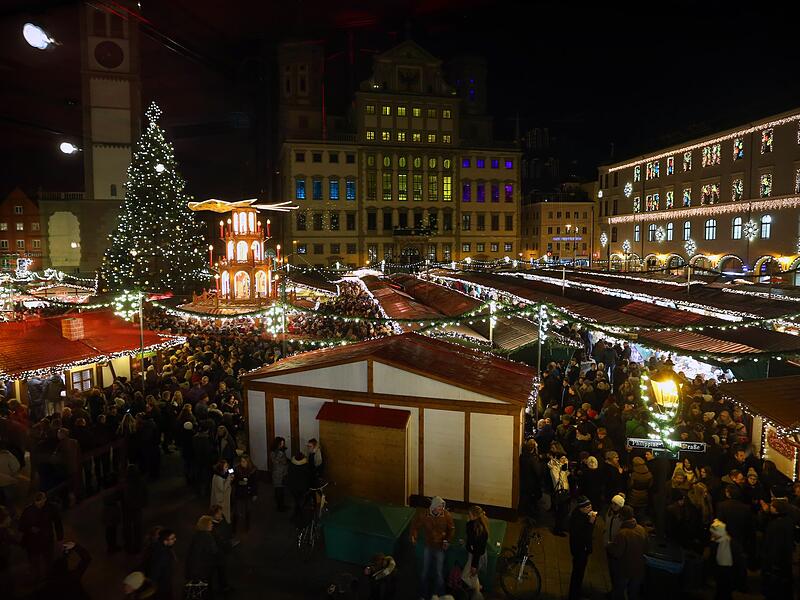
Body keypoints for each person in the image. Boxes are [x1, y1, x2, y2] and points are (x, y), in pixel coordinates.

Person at [409, 496, 455, 600]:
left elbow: (451, 529)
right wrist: (413, 536)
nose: (441, 509)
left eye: (442, 507)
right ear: (433, 507)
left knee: (439, 572)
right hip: (429, 546)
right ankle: (423, 595)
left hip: (440, 548)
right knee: (425, 571)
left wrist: (447, 540)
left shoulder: (446, 515)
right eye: (439, 507)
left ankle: (440, 594)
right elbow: (415, 526)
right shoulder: (425, 515)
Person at [19, 491, 64, 578]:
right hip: (33, 542)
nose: (39, 504)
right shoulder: (28, 511)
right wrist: (30, 529)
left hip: (47, 539)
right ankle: (37, 577)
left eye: (41, 501)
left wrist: (60, 538)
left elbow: (58, 523)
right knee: (35, 562)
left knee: (48, 560)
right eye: (37, 502)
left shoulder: (51, 508)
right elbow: (22, 526)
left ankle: (49, 576)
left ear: (45, 499)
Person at [607, 505, 647, 600]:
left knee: (619, 591)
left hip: (625, 568)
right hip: (638, 568)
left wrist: (610, 546)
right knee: (633, 593)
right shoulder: (641, 529)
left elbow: (617, 553)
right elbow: (647, 548)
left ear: (623, 517)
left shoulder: (623, 533)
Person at [568, 496, 597, 600]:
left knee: (579, 573)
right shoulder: (578, 519)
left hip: (580, 549)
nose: (590, 508)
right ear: (581, 508)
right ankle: (574, 595)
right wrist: (590, 523)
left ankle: (576, 591)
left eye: (590, 506)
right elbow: (584, 535)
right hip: (580, 550)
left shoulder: (581, 514)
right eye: (587, 507)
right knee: (577, 573)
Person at [185, 516, 218, 597]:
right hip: (204, 568)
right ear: (206, 525)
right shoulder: (208, 537)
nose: (212, 525)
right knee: (206, 591)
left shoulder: (196, 535)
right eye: (210, 524)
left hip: (195, 568)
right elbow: (214, 551)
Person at [462, 505, 489, 595]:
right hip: (480, 554)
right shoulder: (483, 525)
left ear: (473, 515)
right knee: (473, 576)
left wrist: (474, 565)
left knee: (465, 576)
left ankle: (477, 591)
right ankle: (478, 588)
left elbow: (477, 549)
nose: (468, 516)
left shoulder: (472, 527)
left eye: (469, 514)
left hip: (475, 556)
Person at [122, 465, 149, 555]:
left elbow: (123, 495)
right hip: (137, 508)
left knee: (128, 527)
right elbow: (145, 494)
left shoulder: (125, 482)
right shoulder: (141, 482)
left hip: (127, 508)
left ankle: (128, 546)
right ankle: (137, 546)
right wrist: (143, 504)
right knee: (137, 527)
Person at [144, 528, 177, 600]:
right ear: (165, 541)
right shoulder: (163, 554)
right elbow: (156, 569)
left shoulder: (157, 547)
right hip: (163, 584)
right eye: (172, 538)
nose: (175, 539)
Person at [232, 455, 257, 532]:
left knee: (247, 510)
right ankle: (234, 528)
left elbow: (254, 483)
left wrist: (254, 494)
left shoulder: (253, 470)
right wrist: (237, 480)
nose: (241, 463)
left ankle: (247, 526)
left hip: (247, 493)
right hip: (239, 492)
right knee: (236, 510)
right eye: (241, 461)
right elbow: (235, 481)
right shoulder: (237, 469)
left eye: (243, 461)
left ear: (248, 462)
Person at [288, 452, 312, 522]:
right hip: (302, 488)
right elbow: (309, 477)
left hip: (293, 488)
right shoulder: (306, 466)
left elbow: (289, 476)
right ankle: (301, 517)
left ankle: (296, 515)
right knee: (301, 502)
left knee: (297, 501)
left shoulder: (291, 465)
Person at [270, 437, 289, 512]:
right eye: (281, 443)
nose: (282, 445)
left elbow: (284, 460)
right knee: (278, 490)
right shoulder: (273, 452)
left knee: (282, 490)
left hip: (282, 473)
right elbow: (275, 461)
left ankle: (282, 505)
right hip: (277, 474)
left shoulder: (281, 451)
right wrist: (281, 453)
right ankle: (280, 507)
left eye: (283, 443)